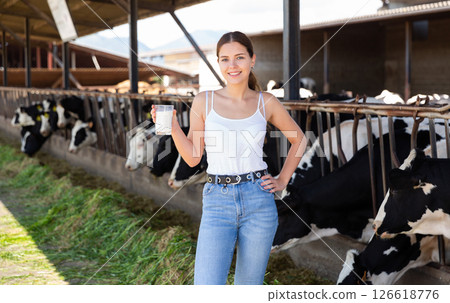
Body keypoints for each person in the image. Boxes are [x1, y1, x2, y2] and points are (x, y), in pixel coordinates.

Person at [151, 31, 306, 285]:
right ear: (219, 63)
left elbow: (299, 139)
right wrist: (173, 126)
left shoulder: (265, 102)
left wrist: (282, 180)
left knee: (248, 286)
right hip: (217, 200)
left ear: (252, 60)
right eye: (225, 59)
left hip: (259, 200)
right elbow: (192, 158)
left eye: (239, 57)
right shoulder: (204, 101)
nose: (232, 65)